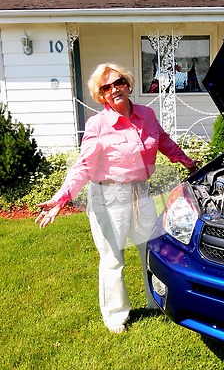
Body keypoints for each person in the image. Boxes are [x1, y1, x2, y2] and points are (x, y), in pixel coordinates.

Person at [35, 63, 199, 334]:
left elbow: (164, 142)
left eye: (118, 82)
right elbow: (84, 166)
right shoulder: (97, 124)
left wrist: (188, 162)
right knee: (113, 257)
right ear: (100, 95)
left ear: (128, 83)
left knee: (151, 250)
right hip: (108, 197)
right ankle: (115, 315)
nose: (114, 89)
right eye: (106, 87)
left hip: (142, 193)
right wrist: (61, 198)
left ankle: (156, 301)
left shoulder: (146, 114)